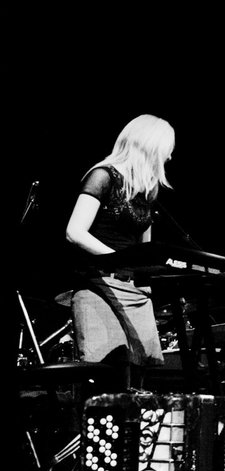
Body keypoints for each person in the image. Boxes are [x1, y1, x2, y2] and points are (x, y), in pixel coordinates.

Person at [64, 114, 175, 390]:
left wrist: (150, 278)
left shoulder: (148, 190)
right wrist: (118, 260)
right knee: (110, 372)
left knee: (138, 379)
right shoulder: (102, 176)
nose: (169, 157)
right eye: (166, 149)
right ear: (149, 145)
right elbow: (75, 232)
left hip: (133, 289)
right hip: (99, 284)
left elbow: (144, 250)